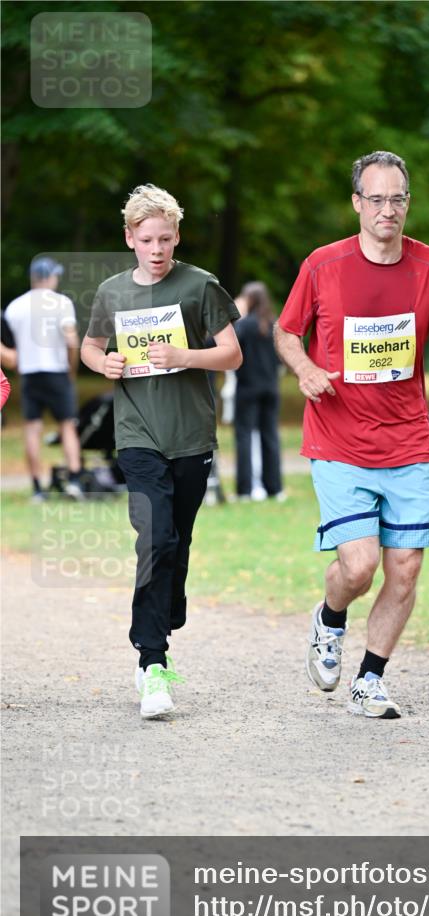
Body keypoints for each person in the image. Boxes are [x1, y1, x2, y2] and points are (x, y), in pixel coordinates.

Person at [274, 150, 429, 720]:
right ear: (357, 203)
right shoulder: (323, 265)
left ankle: (370, 680)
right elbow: (286, 332)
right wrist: (306, 369)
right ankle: (330, 619)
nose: (387, 209)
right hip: (339, 441)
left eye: (397, 199)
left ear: (407, 203)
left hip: (408, 440)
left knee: (407, 566)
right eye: (376, 199)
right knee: (359, 565)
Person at [80, 183, 242, 719]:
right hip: (137, 436)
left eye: (165, 239)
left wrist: (184, 354)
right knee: (156, 537)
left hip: (191, 436)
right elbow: (91, 346)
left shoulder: (200, 286)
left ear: (177, 237)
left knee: (178, 539)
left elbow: (232, 355)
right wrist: (101, 364)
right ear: (130, 238)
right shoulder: (111, 293)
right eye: (147, 239)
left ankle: (165, 612)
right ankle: (153, 663)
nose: (156, 249)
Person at [3, 257, 83, 501]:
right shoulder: (61, 303)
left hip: (28, 374)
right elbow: (71, 341)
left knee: (32, 429)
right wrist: (72, 371)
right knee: (67, 426)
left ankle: (38, 489)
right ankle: (74, 482)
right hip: (57, 371)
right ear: (50, 278)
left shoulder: (14, 307)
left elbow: (11, 352)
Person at [234, 281, 284, 501]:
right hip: (271, 387)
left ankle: (245, 489)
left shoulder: (244, 326)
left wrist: (238, 316)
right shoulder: (273, 324)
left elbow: (228, 348)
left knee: (244, 436)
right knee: (270, 435)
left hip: (247, 389)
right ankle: (274, 487)